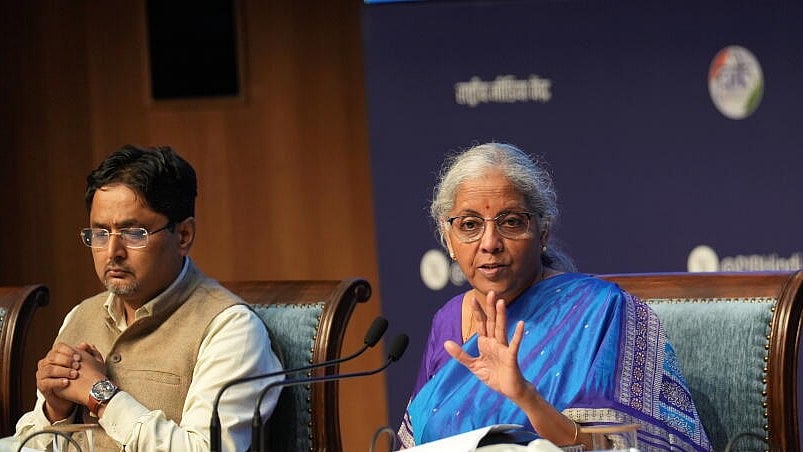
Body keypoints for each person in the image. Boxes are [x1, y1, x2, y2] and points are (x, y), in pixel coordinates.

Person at [397, 143, 711, 451]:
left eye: (511, 222)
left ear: (543, 231)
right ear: (448, 237)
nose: (489, 243)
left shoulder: (602, 310)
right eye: (469, 225)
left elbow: (620, 447)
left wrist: (525, 397)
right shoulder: (447, 321)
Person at [14, 145, 283, 451]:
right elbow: (25, 444)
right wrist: (54, 411)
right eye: (100, 233)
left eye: (133, 233)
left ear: (183, 236)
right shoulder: (79, 316)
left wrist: (100, 394)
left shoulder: (231, 328)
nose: (112, 252)